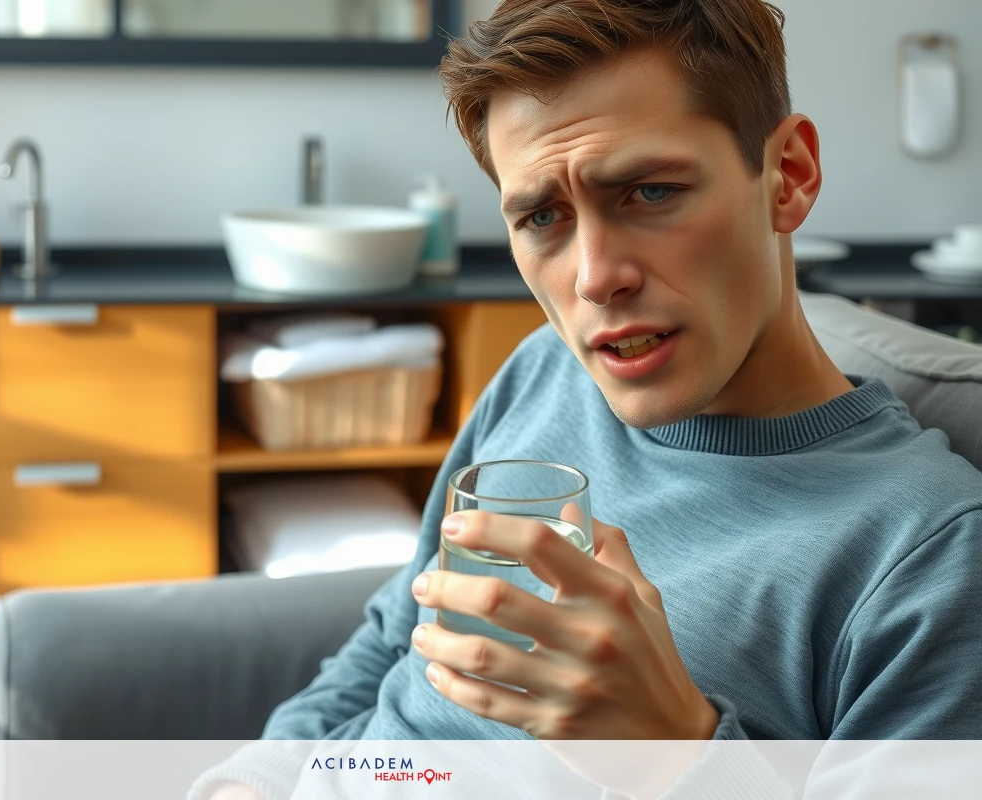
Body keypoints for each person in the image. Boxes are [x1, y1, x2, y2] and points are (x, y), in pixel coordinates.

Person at [194, 1, 982, 797]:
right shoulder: (544, 372)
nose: (595, 276)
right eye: (543, 217)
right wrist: (253, 778)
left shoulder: (928, 557)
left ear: (789, 177)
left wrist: (675, 752)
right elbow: (394, 639)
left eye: (649, 192)